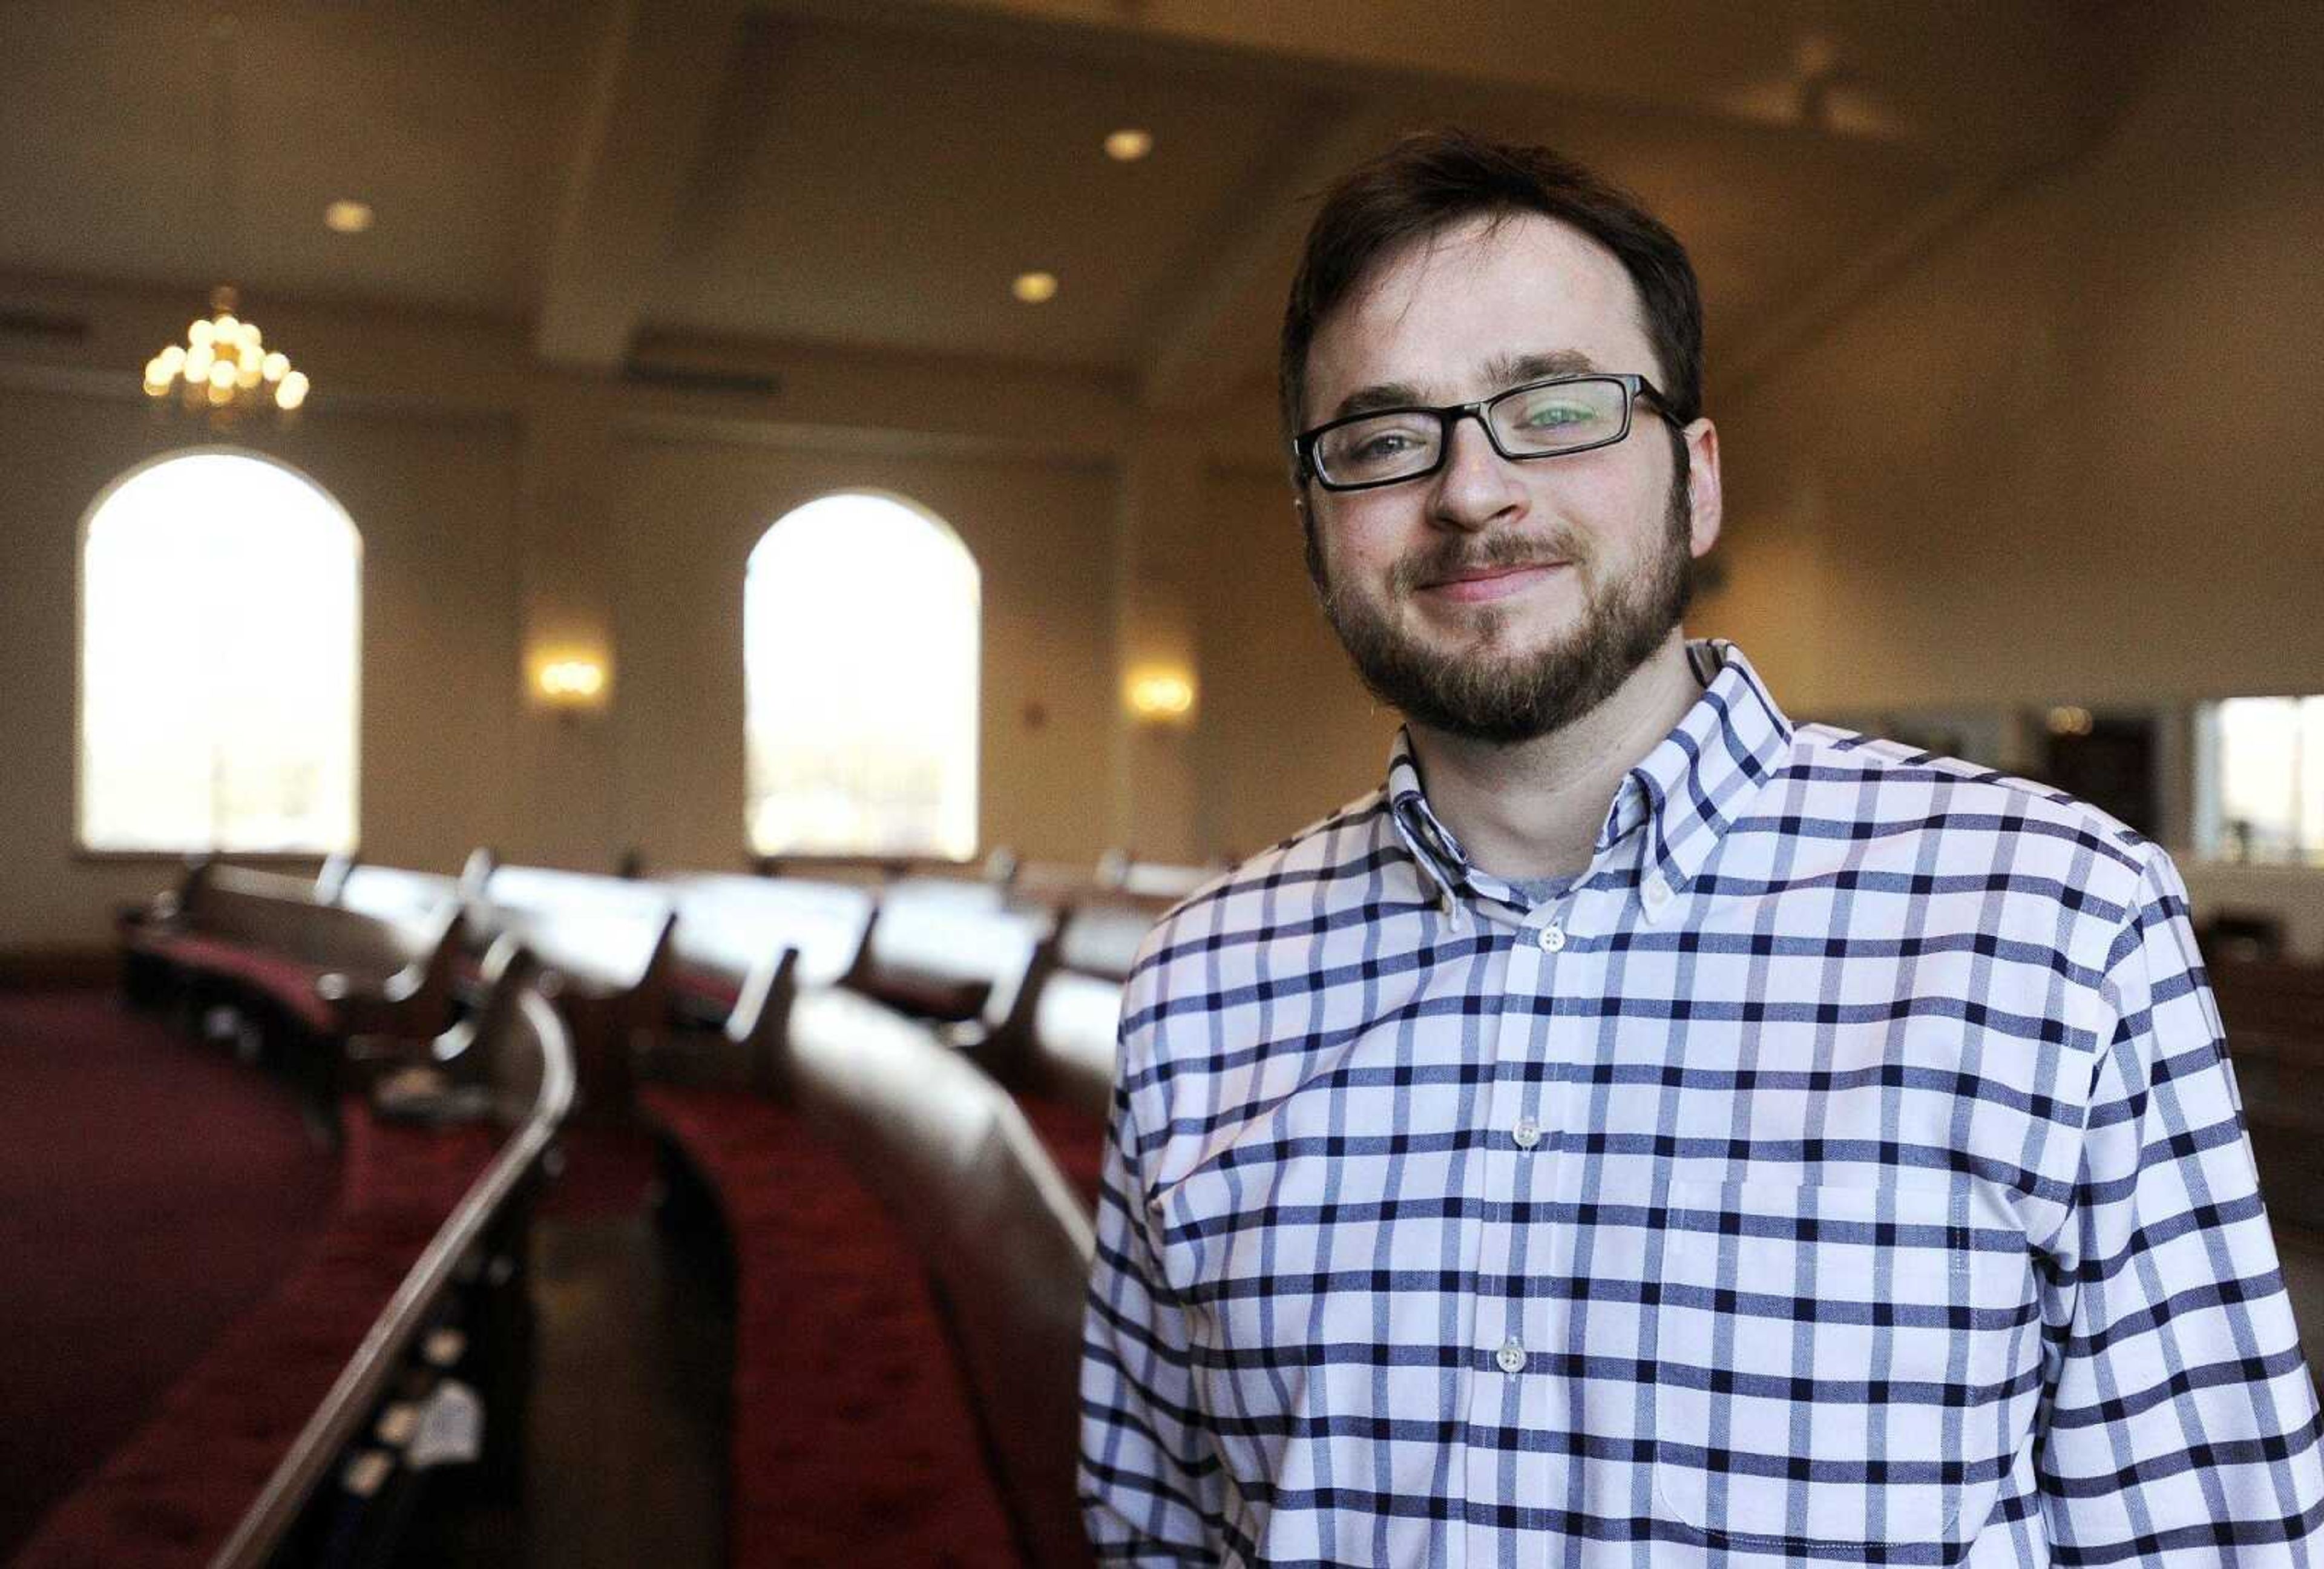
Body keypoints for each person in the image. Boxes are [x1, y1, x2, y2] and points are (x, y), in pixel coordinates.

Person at [1078, 127, 2324, 1565]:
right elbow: (1158, 1534)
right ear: (1316, 524)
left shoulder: (2059, 922)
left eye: (1556, 406)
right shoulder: (1195, 989)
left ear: (1699, 478)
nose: (1472, 490)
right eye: (1381, 439)